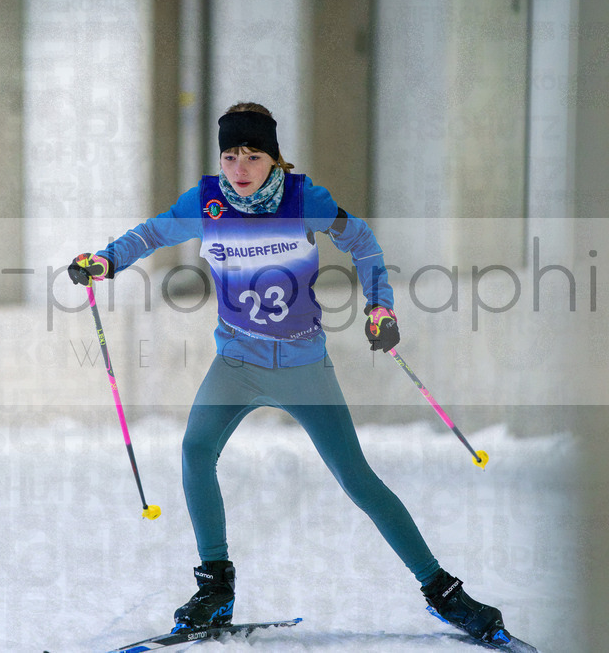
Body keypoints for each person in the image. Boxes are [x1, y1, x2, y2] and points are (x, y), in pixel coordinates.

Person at [68, 102, 511, 645]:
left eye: (252, 156)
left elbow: (362, 241)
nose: (239, 168)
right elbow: (150, 234)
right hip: (237, 362)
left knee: (357, 478)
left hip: (303, 366)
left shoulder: (305, 200)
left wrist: (380, 306)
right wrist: (106, 260)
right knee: (196, 451)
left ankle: (443, 591)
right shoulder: (205, 204)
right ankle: (215, 587)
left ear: (274, 159)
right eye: (230, 156)